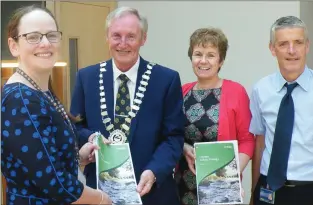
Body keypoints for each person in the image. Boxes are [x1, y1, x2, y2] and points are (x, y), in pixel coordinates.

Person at [70, 6, 185, 205]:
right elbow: (76, 126)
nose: (123, 44)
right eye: (116, 35)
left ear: (143, 39)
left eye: (131, 36)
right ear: (107, 37)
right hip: (100, 194)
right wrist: (89, 138)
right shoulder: (86, 77)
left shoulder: (166, 80)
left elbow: (174, 136)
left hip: (152, 192)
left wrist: (154, 171)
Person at [1, 5, 112, 205]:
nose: (45, 43)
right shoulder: (21, 100)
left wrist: (78, 158)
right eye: (33, 37)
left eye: (51, 35)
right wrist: (104, 199)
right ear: (14, 45)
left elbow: (42, 161)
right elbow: (56, 184)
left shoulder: (39, 90)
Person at [174, 27, 255, 205]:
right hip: (183, 186)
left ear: (221, 60)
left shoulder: (236, 92)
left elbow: (248, 141)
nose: (203, 61)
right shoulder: (182, 92)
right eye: (198, 54)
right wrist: (184, 146)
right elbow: (172, 136)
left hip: (220, 187)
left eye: (211, 55)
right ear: (191, 57)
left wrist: (229, 176)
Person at [249, 16, 313, 205]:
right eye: (283, 44)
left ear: (307, 46)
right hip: (269, 189)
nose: (291, 51)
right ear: (272, 49)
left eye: (298, 43)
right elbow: (259, 142)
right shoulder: (261, 89)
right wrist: (254, 191)